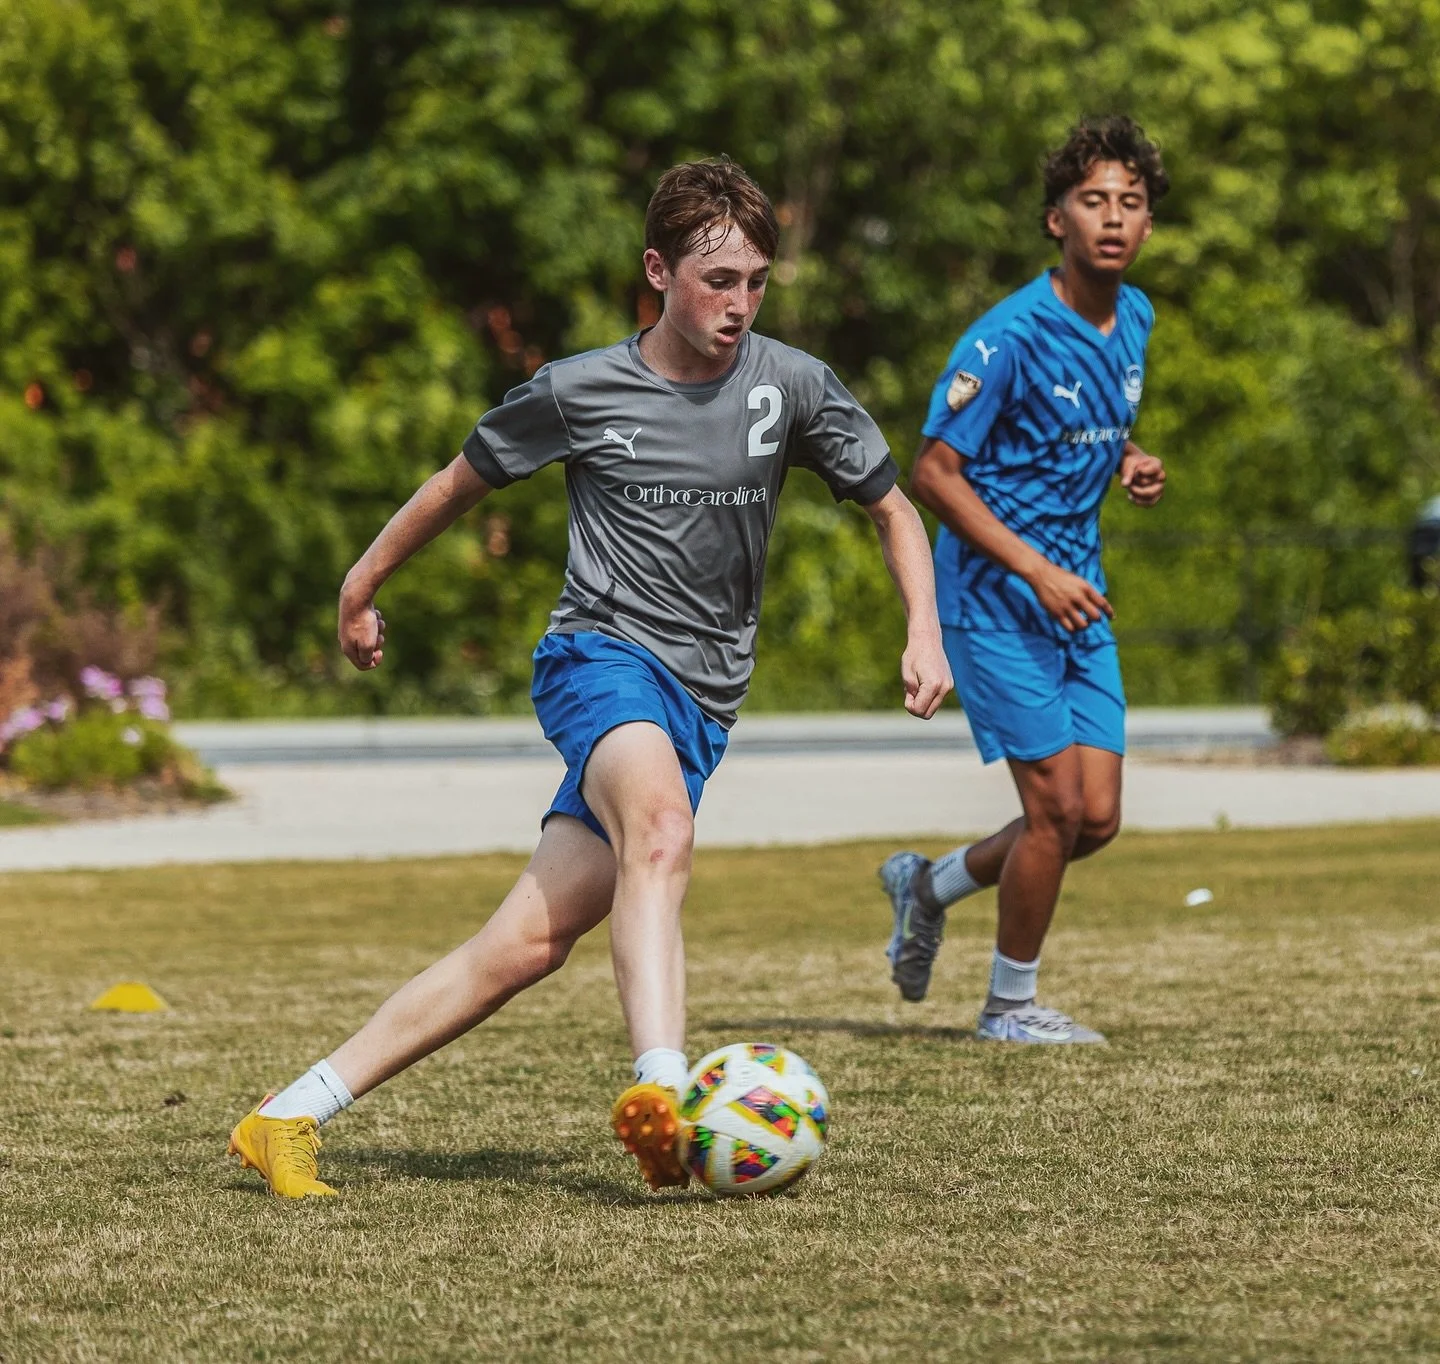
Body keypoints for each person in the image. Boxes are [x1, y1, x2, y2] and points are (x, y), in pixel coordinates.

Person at [228, 157, 952, 1197]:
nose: (738, 303)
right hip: (598, 660)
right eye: (716, 280)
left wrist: (922, 627)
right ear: (659, 271)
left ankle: (287, 1114)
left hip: (702, 702)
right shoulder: (578, 387)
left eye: (754, 280)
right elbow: (453, 485)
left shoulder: (790, 387)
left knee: (525, 942)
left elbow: (892, 506)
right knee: (660, 830)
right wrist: (360, 583)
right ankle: (667, 1092)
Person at [879, 116, 1169, 1043]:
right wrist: (1037, 569)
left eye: (1130, 203)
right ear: (1057, 221)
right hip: (998, 600)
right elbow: (932, 473)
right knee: (1051, 811)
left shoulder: (1139, 319)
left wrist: (1127, 459)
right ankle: (1010, 1007)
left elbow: (1082, 423)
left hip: (1076, 596)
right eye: (1094, 202)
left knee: (1097, 819)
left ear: (1148, 224)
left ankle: (928, 885)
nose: (1113, 219)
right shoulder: (1006, 336)